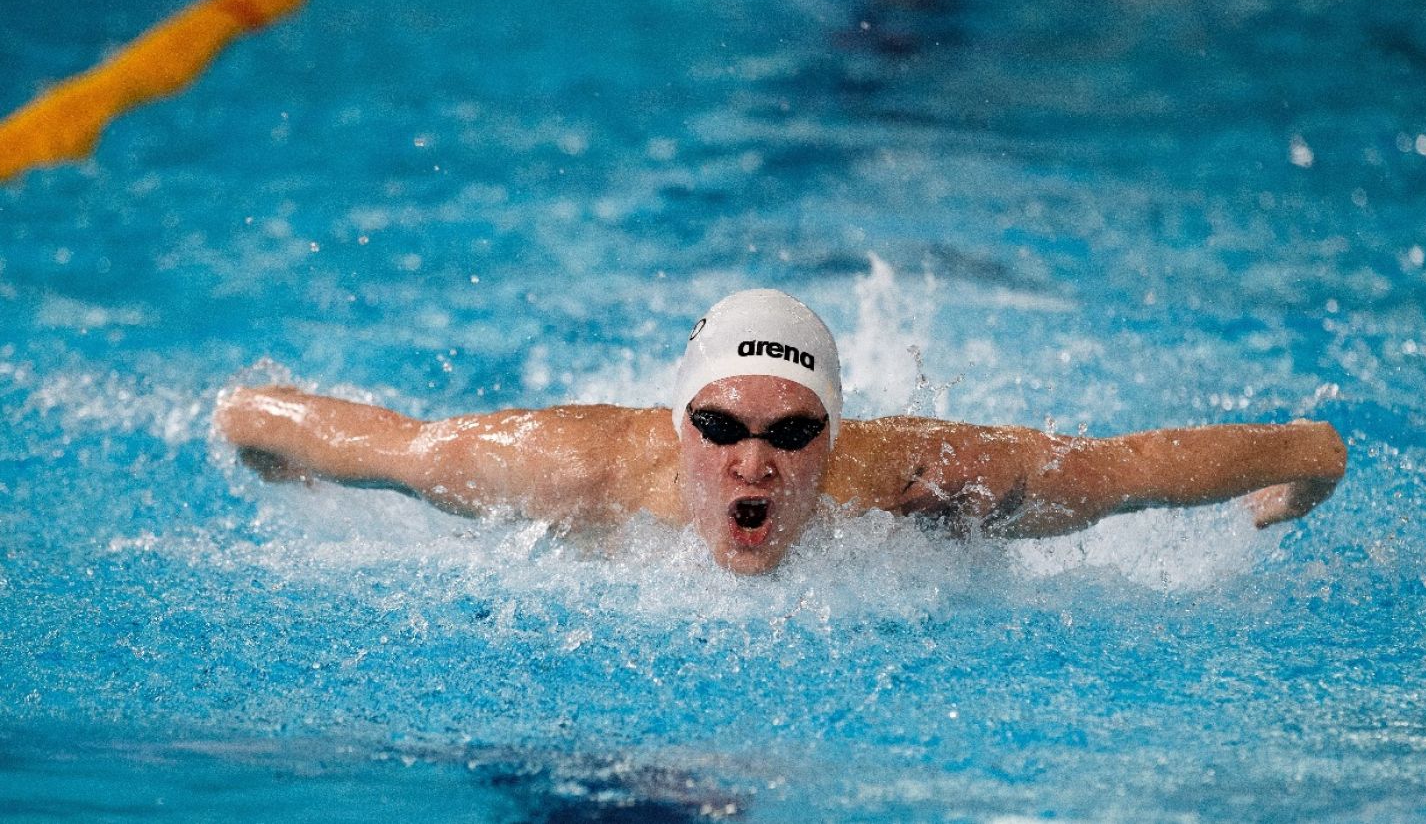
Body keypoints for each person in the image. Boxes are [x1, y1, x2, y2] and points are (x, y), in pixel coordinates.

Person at [215, 289, 1347, 575]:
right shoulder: (566, 471)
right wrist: (254, 440)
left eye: (793, 433)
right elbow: (375, 442)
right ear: (679, 423)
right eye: (719, 424)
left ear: (832, 436)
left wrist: (1305, 462)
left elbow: (1121, 472)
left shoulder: (918, 480)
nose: (753, 458)